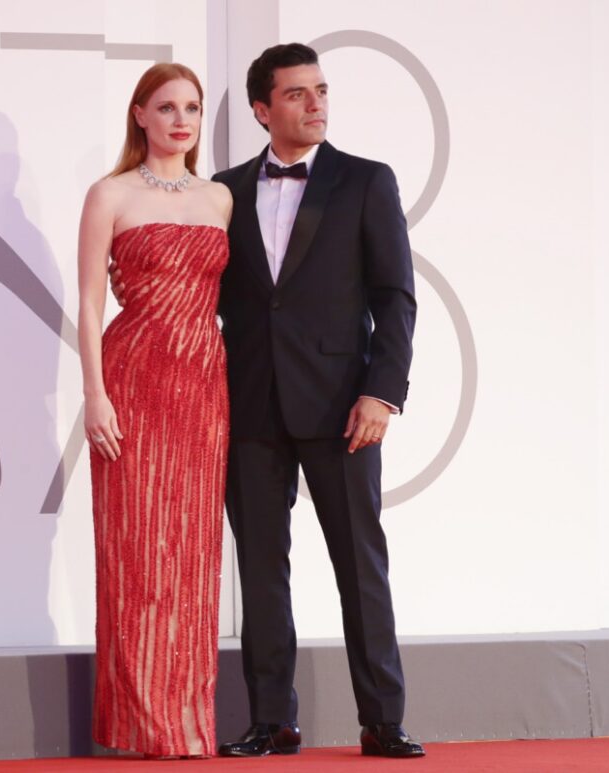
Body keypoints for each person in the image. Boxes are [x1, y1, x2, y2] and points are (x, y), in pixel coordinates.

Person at [210, 43, 424, 758]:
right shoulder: (224, 189)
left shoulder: (366, 181)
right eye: (297, 94)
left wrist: (382, 393)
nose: (316, 103)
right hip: (249, 405)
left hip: (343, 406)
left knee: (360, 564)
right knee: (261, 570)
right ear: (261, 109)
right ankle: (272, 717)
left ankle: (382, 717)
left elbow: (394, 297)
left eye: (321, 89)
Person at [78, 62, 232, 758]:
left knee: (193, 555)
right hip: (132, 379)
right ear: (139, 114)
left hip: (203, 385)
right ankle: (142, 724)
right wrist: (94, 394)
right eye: (166, 106)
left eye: (192, 108)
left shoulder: (219, 200)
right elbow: (86, 304)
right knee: (137, 551)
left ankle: (191, 723)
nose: (181, 119)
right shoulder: (109, 193)